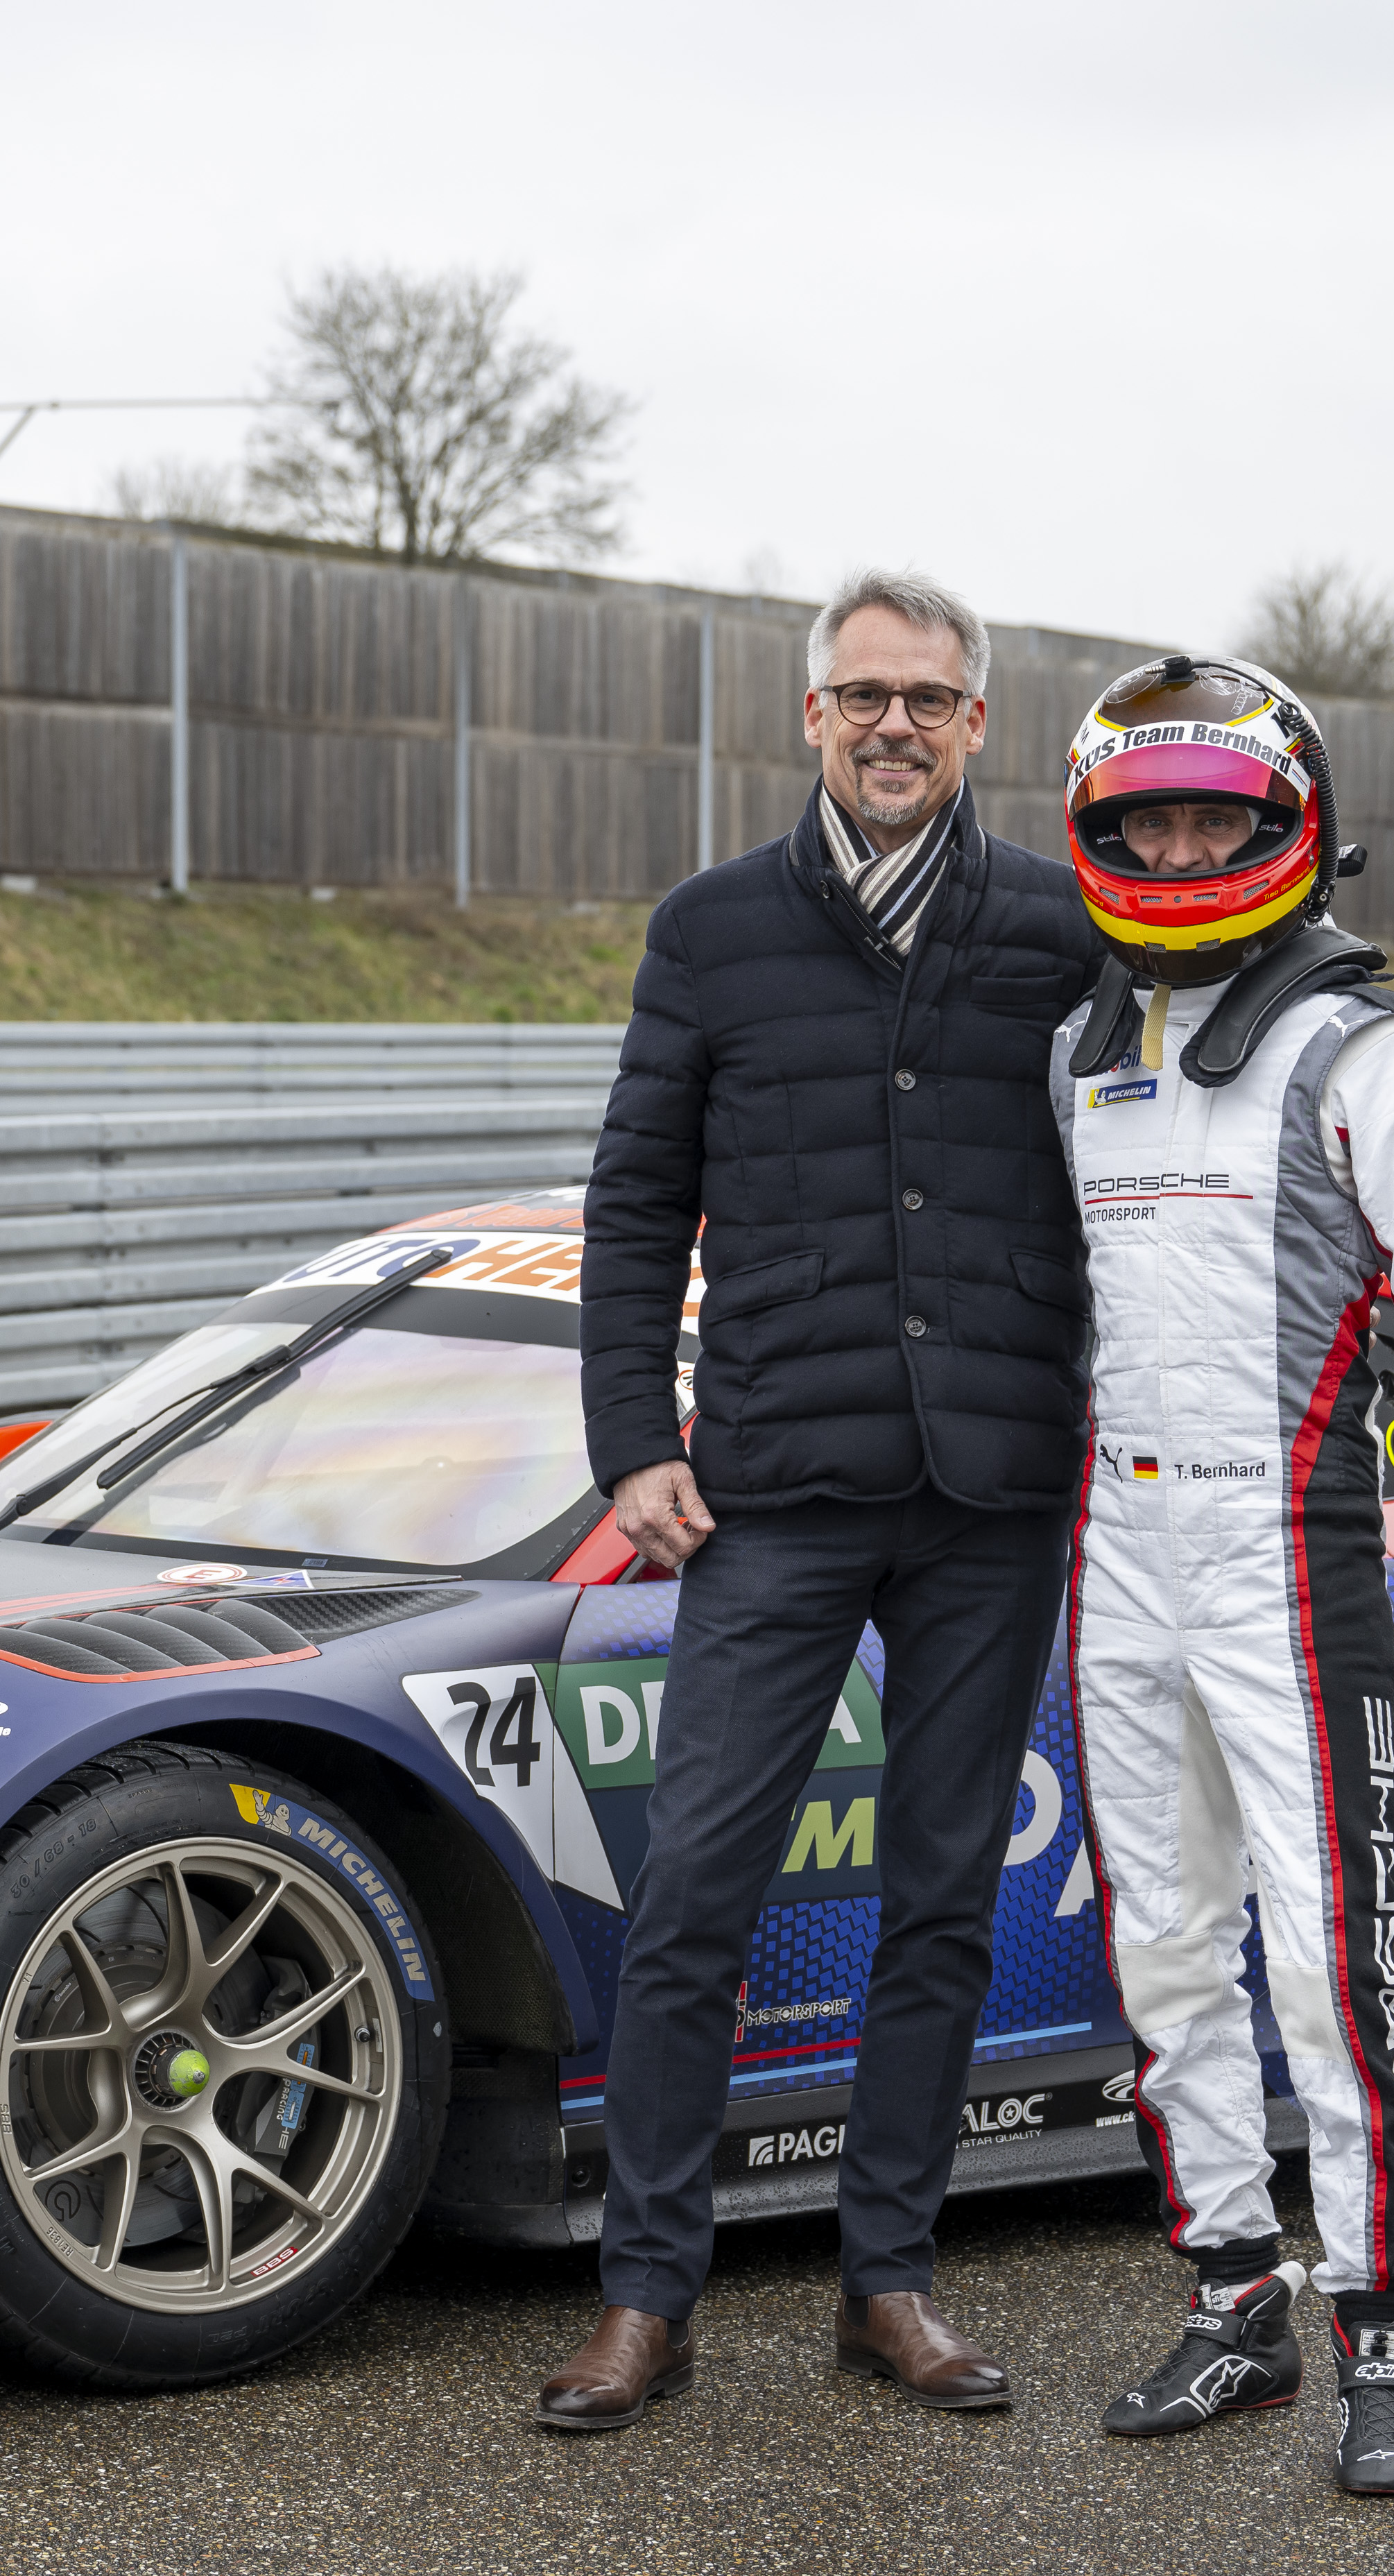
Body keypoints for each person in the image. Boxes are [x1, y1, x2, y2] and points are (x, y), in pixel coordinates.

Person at [533, 571, 1105, 2432]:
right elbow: (633, 1203)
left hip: (988, 1497)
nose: (892, 727)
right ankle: (648, 2296)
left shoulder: (1059, 928)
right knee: (696, 1889)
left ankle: (892, 2279)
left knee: (940, 1899)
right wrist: (636, 1438)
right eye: (861, 695)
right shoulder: (711, 934)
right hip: (770, 1494)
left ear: (978, 726)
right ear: (808, 717)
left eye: (928, 701)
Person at [1047, 654, 1394, 2498]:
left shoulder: (1366, 1043)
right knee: (1162, 1951)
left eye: (1212, 817)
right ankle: (1233, 2294)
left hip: (1289, 1547)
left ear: (1288, 826)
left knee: (1335, 1970)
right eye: (1146, 817)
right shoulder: (1075, 1050)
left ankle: (1380, 2334)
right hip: (1122, 1551)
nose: (1178, 844)